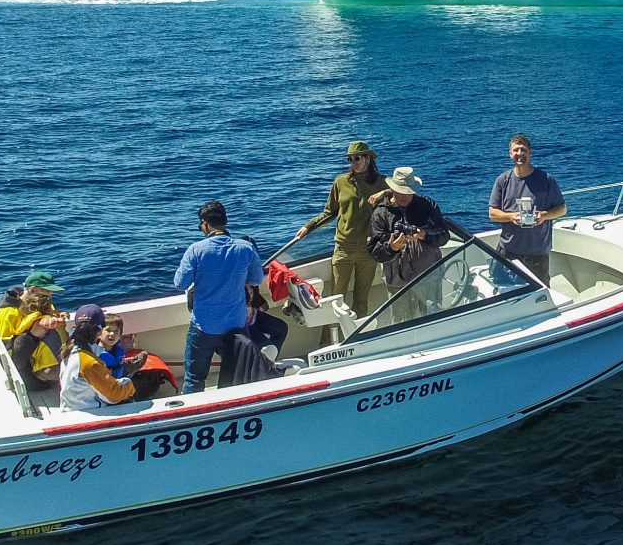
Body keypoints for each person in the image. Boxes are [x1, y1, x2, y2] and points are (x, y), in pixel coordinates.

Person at [173, 199, 268, 392]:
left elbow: (180, 283)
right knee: (237, 373)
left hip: (204, 326)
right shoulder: (245, 248)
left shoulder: (196, 250)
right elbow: (257, 279)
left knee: (194, 377)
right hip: (237, 324)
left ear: (205, 224)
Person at [291, 140, 390, 318]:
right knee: (335, 300)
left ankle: (357, 340)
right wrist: (308, 226)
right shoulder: (340, 182)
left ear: (368, 158)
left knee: (361, 300)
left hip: (369, 248)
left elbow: (401, 195)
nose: (354, 163)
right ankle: (328, 341)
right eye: (350, 159)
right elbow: (330, 212)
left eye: (357, 158)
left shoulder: (382, 182)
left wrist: (383, 193)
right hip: (343, 247)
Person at [59, 304, 176, 411]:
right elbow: (114, 395)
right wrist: (129, 385)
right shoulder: (89, 362)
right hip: (89, 412)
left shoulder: (69, 349)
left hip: (74, 407)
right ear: (100, 330)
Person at [488, 133, 566, 287]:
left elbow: (562, 209)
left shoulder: (546, 179)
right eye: (516, 150)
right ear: (510, 154)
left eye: (523, 150)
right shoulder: (502, 180)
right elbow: (492, 214)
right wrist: (511, 217)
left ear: (530, 152)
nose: (519, 154)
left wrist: (545, 215)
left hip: (537, 255)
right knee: (504, 293)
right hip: (508, 252)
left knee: (539, 295)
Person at [367, 166, 452, 293]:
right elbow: (375, 252)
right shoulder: (381, 213)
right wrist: (392, 248)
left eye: (407, 192)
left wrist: (424, 235)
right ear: (392, 189)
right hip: (398, 284)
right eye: (399, 192)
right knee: (400, 314)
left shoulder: (427, 205)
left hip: (429, 277)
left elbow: (444, 236)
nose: (403, 197)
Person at [0, 271, 68, 404]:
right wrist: (32, 335)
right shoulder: (8, 314)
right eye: (47, 293)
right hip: (35, 371)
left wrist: (59, 315)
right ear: (32, 290)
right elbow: (9, 354)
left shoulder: (36, 302)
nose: (50, 298)